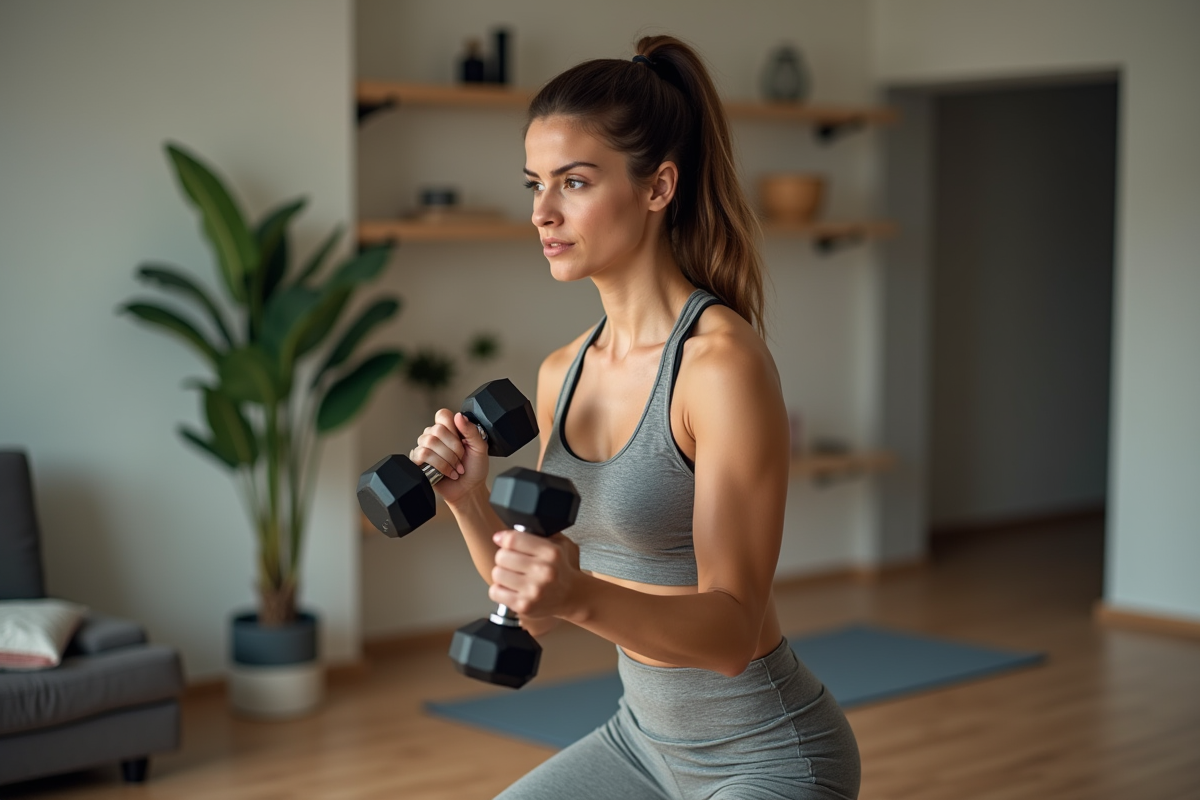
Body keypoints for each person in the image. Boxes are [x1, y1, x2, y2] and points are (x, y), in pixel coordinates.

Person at [410, 34, 861, 800]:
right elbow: (534, 610)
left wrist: (580, 593)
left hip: (767, 757)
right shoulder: (563, 373)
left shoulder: (720, 366)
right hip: (642, 748)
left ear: (658, 189)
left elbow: (729, 634)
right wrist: (469, 502)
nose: (542, 213)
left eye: (575, 183)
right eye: (535, 184)